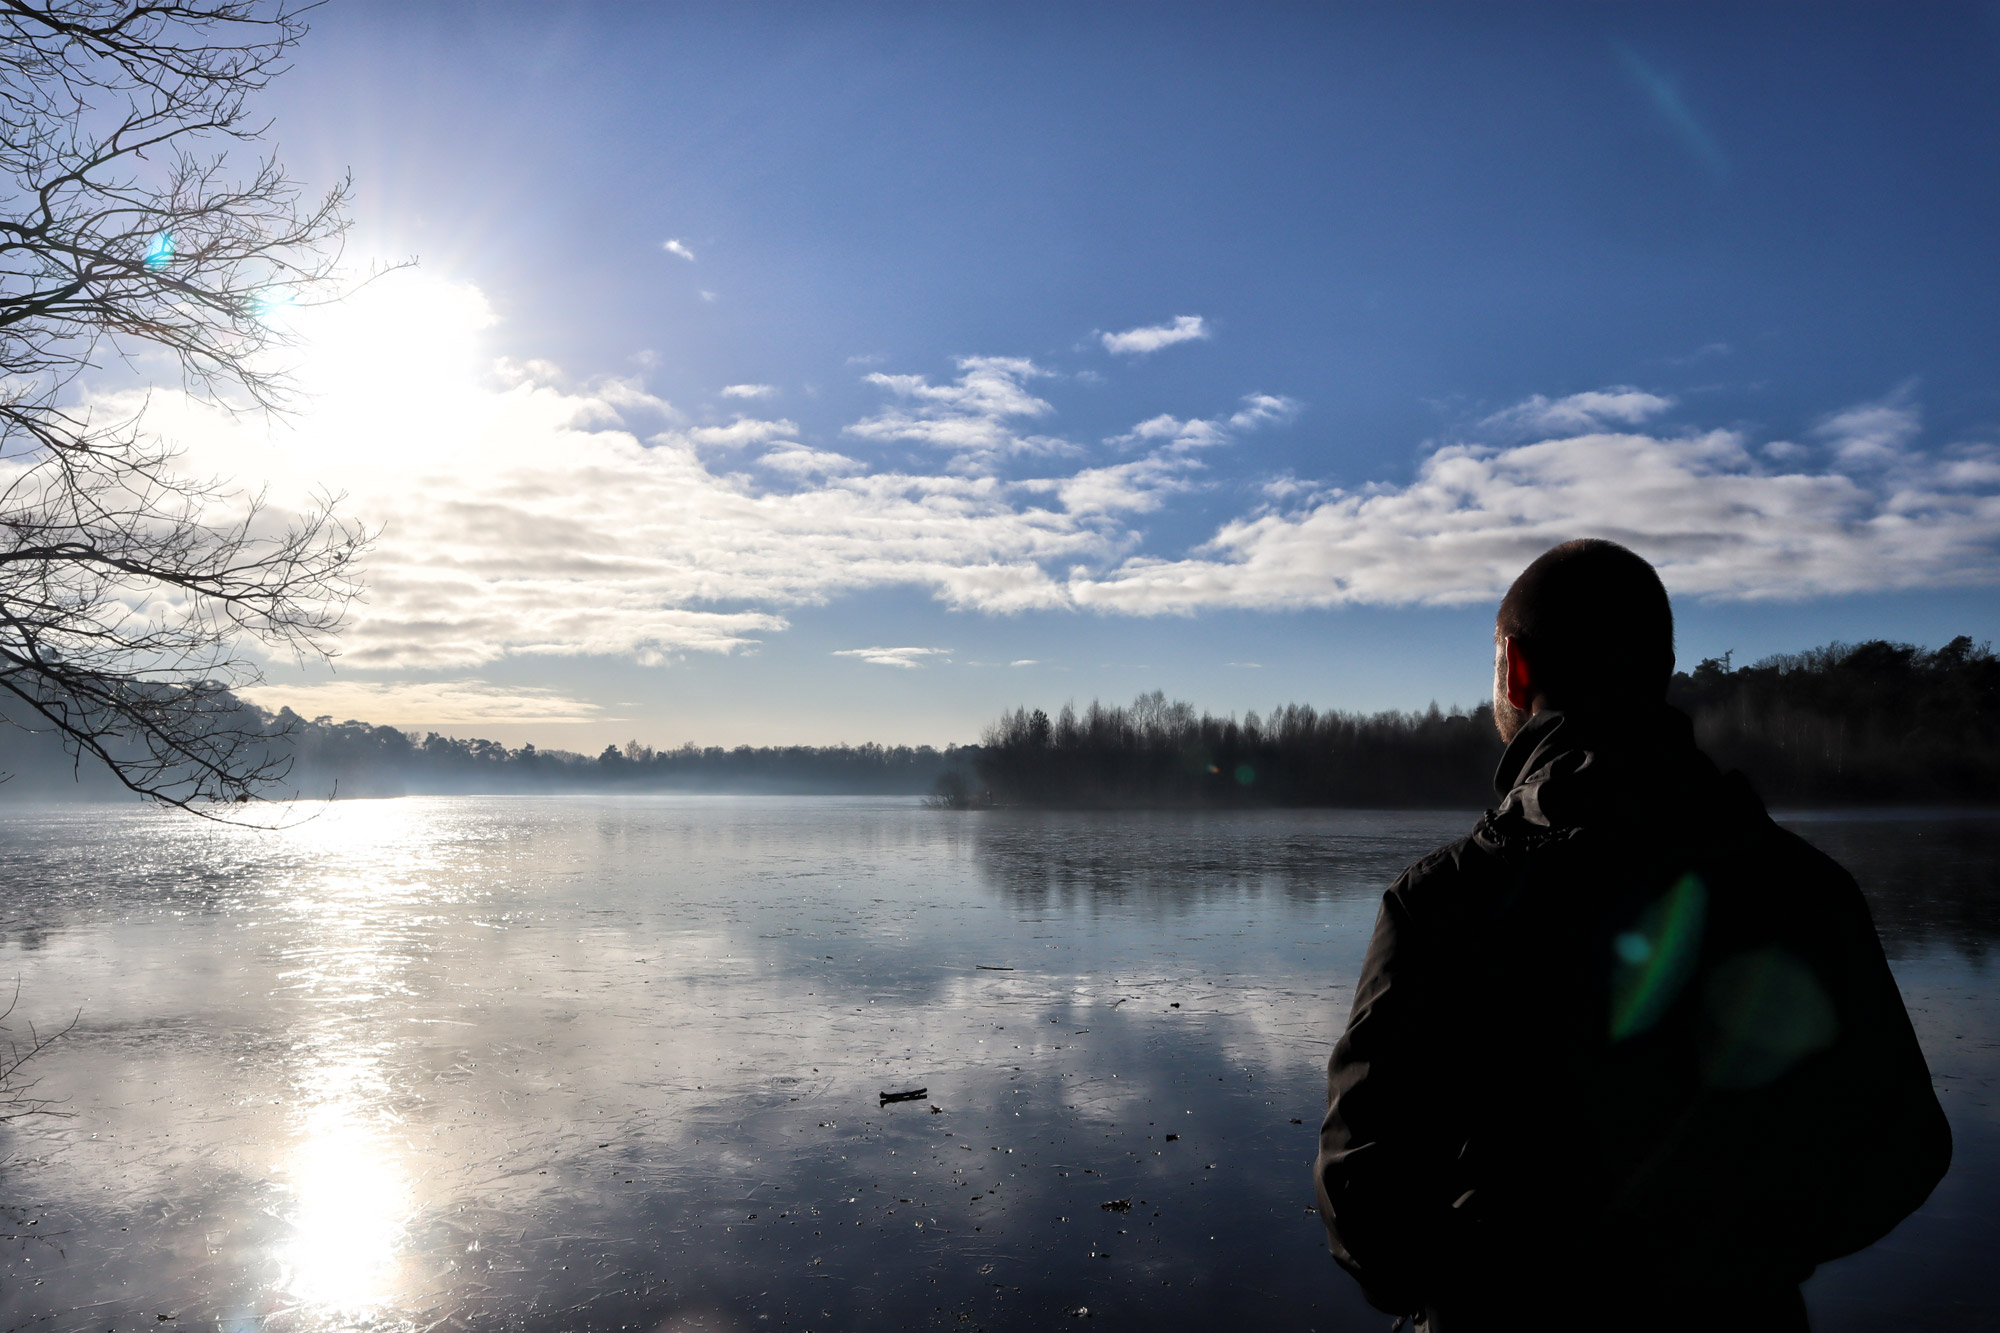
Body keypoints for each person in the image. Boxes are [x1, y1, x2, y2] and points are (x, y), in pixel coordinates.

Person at [1314, 539, 1951, 1332]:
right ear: (1661, 671)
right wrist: (1742, 1257)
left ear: (1513, 666)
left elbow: (1363, 1195)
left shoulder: (1446, 901)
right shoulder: (1803, 889)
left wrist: (1477, 1287)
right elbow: (1904, 1149)